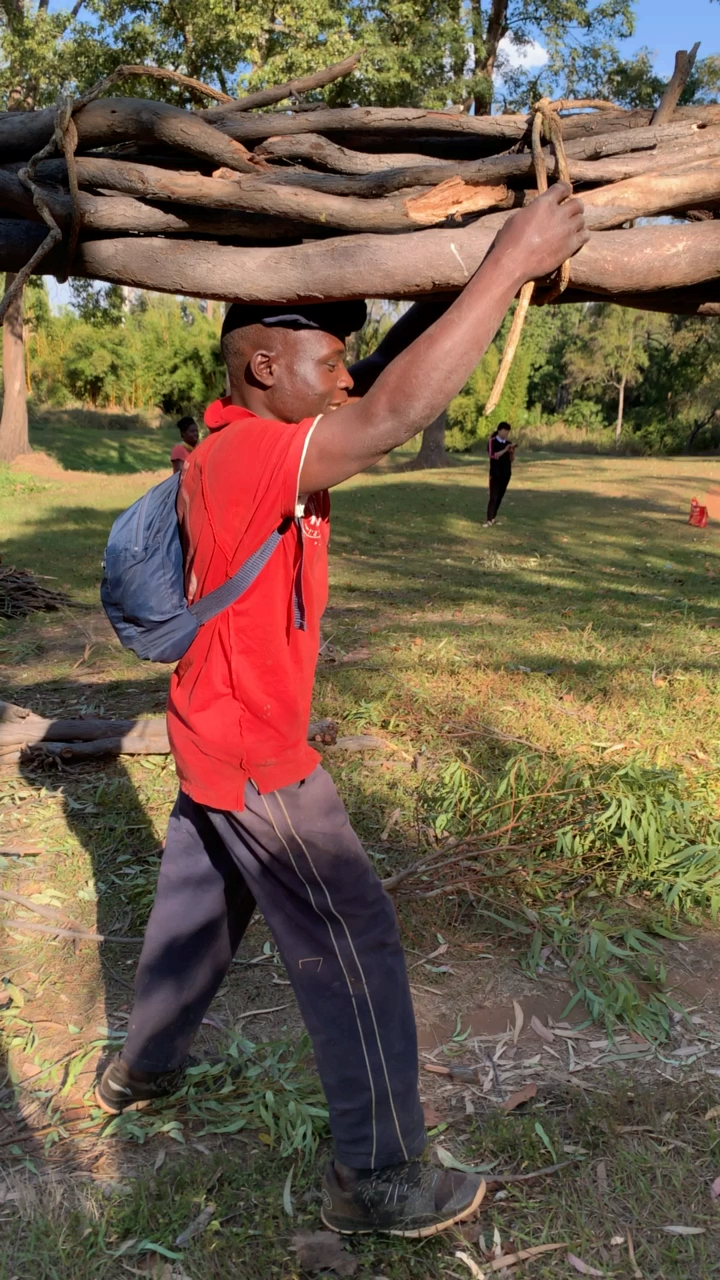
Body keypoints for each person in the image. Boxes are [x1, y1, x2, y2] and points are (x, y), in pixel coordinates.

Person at [95, 183, 587, 1237]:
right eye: (330, 360)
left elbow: (390, 369)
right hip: (259, 753)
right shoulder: (244, 456)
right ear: (262, 364)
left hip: (209, 737)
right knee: (353, 935)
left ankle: (139, 1068)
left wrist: (464, 278)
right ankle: (377, 1172)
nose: (347, 378)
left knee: (196, 912)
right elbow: (399, 411)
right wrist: (511, 257)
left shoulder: (258, 434)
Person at [484, 421, 515, 526]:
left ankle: (493, 518)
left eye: (507, 431)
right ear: (499, 430)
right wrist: (505, 450)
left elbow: (511, 459)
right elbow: (493, 455)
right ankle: (488, 519)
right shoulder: (492, 442)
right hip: (495, 473)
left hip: (506, 473)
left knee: (500, 496)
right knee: (493, 496)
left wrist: (511, 452)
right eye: (504, 431)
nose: (506, 433)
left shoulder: (508, 443)